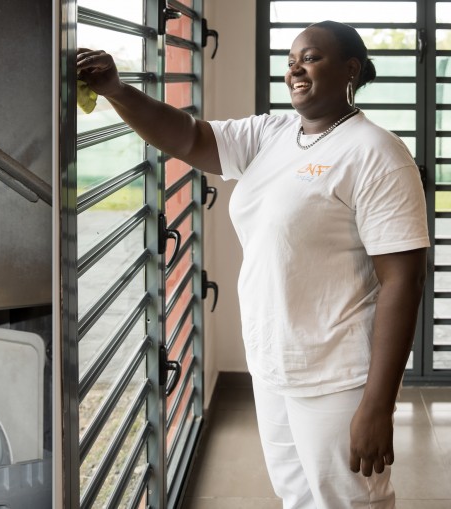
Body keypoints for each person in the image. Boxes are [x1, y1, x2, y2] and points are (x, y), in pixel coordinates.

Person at [78, 20, 428, 508]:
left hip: (337, 377)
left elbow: (403, 282)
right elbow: (187, 138)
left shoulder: (377, 154)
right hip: (272, 365)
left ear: (351, 69)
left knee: (349, 502)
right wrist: (116, 90)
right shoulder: (272, 133)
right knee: (297, 497)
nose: (296, 69)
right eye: (290, 61)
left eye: (312, 57)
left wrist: (377, 406)